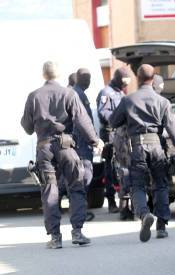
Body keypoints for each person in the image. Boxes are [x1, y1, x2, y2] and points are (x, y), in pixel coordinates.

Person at [20, 61, 102, 248]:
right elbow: (82, 120)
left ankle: (55, 237)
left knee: (50, 190)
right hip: (67, 148)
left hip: (45, 148)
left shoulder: (34, 96)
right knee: (76, 186)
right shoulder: (69, 93)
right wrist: (95, 141)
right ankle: (77, 232)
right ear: (59, 74)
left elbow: (27, 127)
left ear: (44, 74)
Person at [109, 64, 175, 242]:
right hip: (157, 146)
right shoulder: (163, 102)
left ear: (138, 78)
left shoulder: (128, 100)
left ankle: (144, 215)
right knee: (161, 185)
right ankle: (162, 226)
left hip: (137, 147)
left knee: (138, 185)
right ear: (153, 78)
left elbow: (113, 121)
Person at [97, 67, 131, 215]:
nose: (125, 86)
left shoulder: (120, 92)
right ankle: (111, 200)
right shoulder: (106, 92)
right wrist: (118, 118)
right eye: (124, 82)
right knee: (110, 168)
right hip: (110, 134)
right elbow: (103, 113)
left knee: (122, 168)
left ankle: (123, 199)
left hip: (122, 134)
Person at [72, 68, 96, 221]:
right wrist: (93, 139)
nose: (88, 82)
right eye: (86, 79)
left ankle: (79, 209)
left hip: (80, 141)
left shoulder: (77, 92)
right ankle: (80, 211)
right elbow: (82, 122)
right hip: (81, 142)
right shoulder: (77, 94)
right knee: (84, 175)